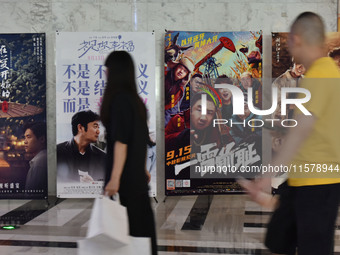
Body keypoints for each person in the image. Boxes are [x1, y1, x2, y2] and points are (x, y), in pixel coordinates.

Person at [240, 12, 340, 255]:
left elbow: (301, 130)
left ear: (297, 40)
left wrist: (266, 175)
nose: (291, 53)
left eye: (289, 45)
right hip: (300, 181)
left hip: (318, 185)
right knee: (277, 242)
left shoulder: (322, 74)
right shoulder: (321, 73)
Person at [100, 51, 157, 255]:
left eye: (108, 69)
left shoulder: (120, 101)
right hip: (135, 177)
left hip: (125, 180)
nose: (105, 74)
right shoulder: (135, 101)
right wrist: (143, 168)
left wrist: (114, 179)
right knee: (140, 231)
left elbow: (122, 143)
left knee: (128, 234)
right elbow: (139, 140)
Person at [57, 110, 106, 183]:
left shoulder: (102, 157)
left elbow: (104, 182)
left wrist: (94, 184)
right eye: (95, 126)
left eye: (99, 127)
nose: (98, 131)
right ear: (80, 128)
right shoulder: (57, 151)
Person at [164, 55, 194, 126]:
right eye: (180, 67)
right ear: (176, 66)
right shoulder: (163, 73)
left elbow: (172, 110)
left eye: (185, 71)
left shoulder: (180, 90)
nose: (181, 71)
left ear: (186, 75)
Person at [23, 122, 47, 191]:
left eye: (28, 137)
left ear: (42, 139)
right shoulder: (44, 158)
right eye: (25, 137)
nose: (25, 141)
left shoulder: (39, 163)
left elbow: (31, 194)